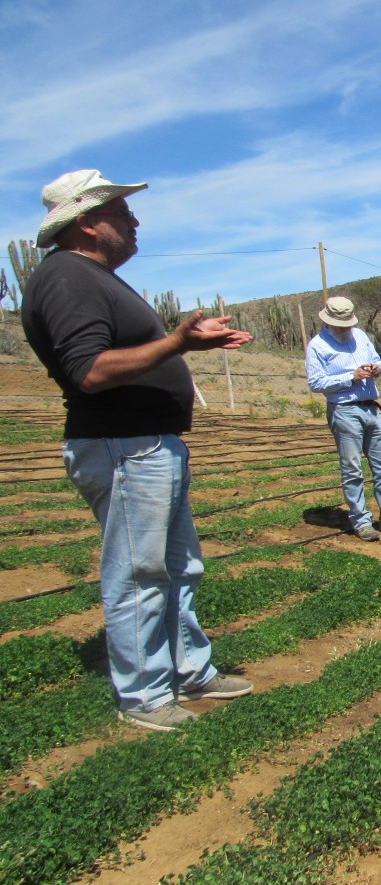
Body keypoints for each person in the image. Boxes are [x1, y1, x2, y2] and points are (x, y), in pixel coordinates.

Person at [22, 170, 254, 732]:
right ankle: (145, 696)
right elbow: (90, 370)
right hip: (122, 446)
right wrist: (177, 341)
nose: (135, 221)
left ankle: (190, 670)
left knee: (177, 566)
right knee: (138, 572)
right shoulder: (67, 279)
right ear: (87, 222)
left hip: (146, 445)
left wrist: (187, 345)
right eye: (123, 213)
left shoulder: (93, 277)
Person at [306, 297, 381, 542]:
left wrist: (378, 369)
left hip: (371, 409)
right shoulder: (318, 346)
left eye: (347, 324)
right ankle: (361, 521)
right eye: (340, 325)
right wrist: (350, 377)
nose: (345, 329)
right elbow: (315, 382)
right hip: (345, 410)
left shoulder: (361, 336)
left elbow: (380, 361)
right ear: (328, 322)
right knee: (353, 469)